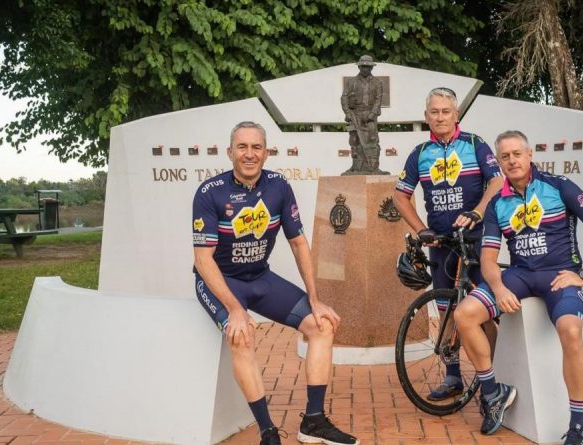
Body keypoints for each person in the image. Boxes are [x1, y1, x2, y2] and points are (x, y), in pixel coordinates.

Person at [192, 121, 358, 445]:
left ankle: (313, 421)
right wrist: (234, 310)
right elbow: (203, 259)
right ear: (230, 152)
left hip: (260, 277)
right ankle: (268, 431)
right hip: (220, 281)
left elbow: (298, 243)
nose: (249, 154)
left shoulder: (278, 186)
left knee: (322, 325)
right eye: (242, 147)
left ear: (266, 152)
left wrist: (315, 298)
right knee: (241, 336)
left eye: (256, 147)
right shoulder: (210, 193)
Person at [453, 131, 583, 443]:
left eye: (517, 154)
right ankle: (493, 393)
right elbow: (488, 260)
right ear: (499, 162)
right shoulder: (497, 202)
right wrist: (498, 288)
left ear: (529, 155)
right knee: (465, 314)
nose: (512, 160)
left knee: (570, 331)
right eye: (505, 156)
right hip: (521, 275)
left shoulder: (558, 186)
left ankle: (577, 425)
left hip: (560, 275)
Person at [394, 86, 504, 401]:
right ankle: (454, 376)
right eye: (434, 112)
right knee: (445, 310)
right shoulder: (419, 153)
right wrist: (420, 229)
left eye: (446, 111)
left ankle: (492, 377)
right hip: (441, 242)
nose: (440, 117)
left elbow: (497, 181)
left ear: (456, 115)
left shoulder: (474, 144)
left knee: (483, 311)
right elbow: (400, 195)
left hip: (476, 240)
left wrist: (478, 211)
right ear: (426, 116)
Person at [340, 55, 384, 174]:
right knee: (354, 140)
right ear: (359, 66)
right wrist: (348, 112)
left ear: (371, 68)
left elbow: (378, 100)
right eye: (364, 66)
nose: (366, 69)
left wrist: (372, 113)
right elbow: (344, 98)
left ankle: (373, 167)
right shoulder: (351, 82)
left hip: (370, 116)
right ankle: (356, 167)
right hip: (355, 115)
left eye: (368, 67)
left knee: (372, 140)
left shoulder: (377, 82)